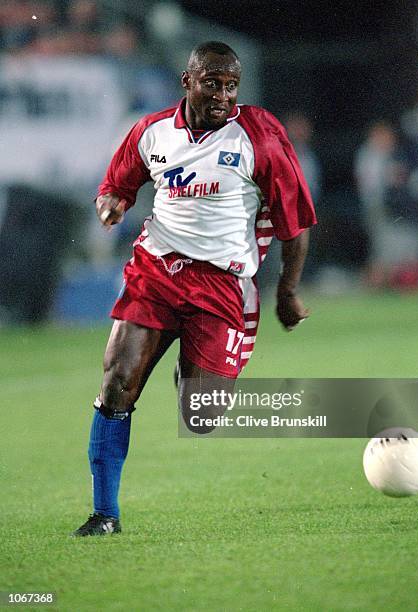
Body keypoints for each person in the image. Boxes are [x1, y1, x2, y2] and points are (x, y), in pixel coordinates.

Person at [72, 41, 317, 537]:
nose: (223, 95)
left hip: (221, 285)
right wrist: (111, 206)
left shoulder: (260, 136)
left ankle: (190, 373)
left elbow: (296, 226)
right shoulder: (151, 131)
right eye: (212, 83)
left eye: (231, 86)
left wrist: (286, 292)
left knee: (201, 414)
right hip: (156, 272)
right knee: (117, 384)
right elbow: (116, 185)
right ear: (188, 82)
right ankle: (105, 515)